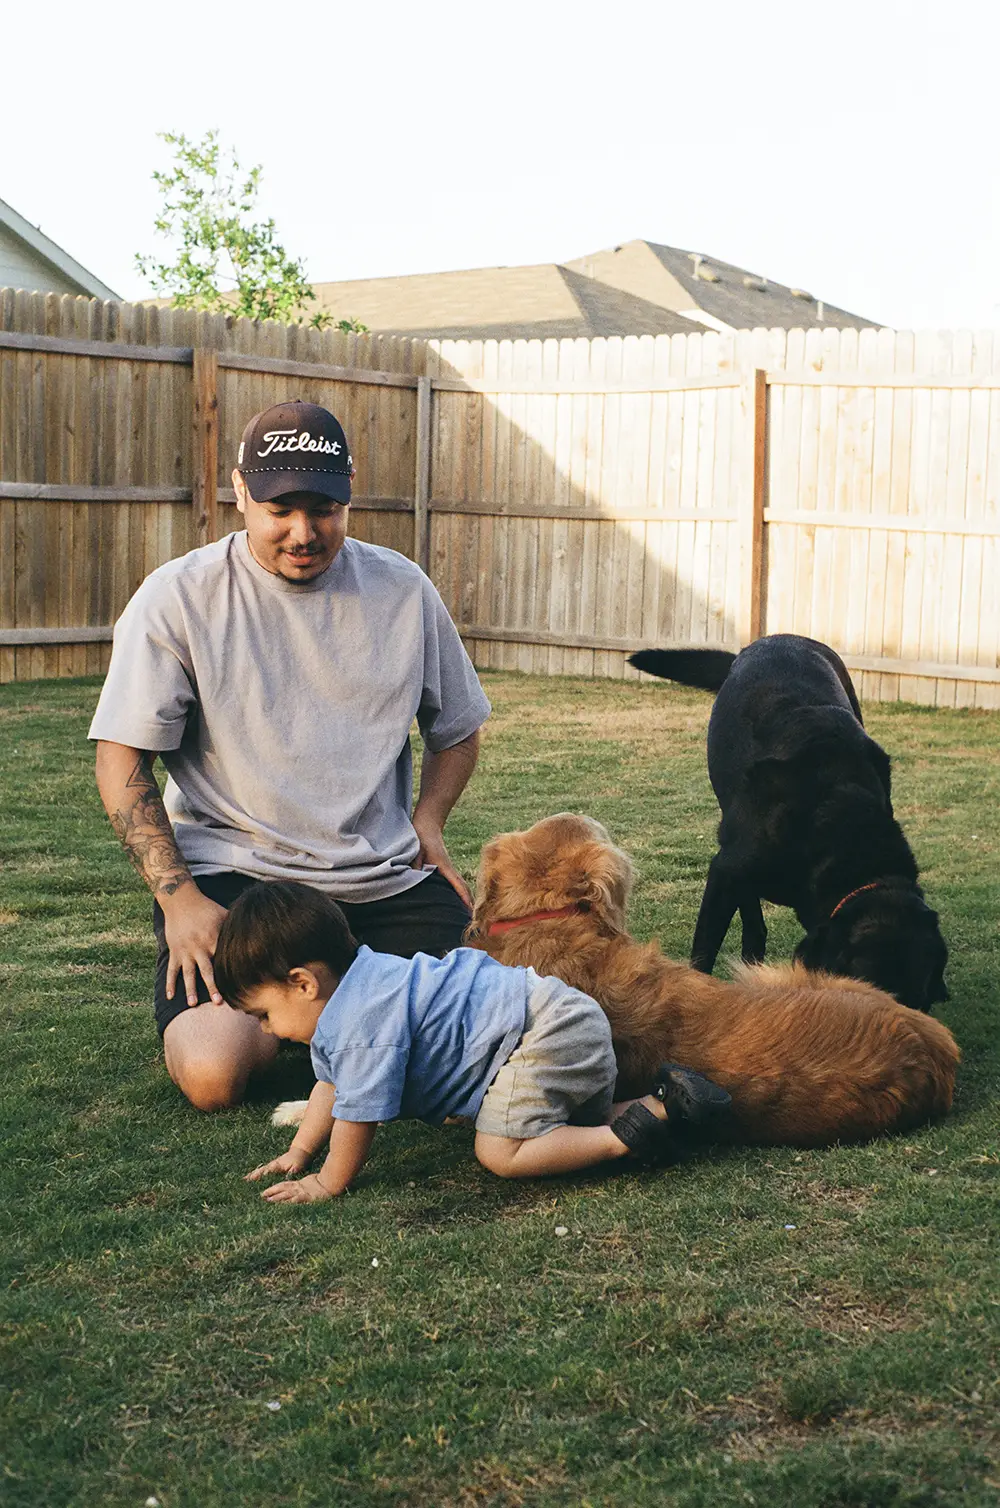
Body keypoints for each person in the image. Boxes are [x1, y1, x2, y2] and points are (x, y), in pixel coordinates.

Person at [90, 399, 491, 1112]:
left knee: (504, 1017)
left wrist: (427, 824)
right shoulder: (178, 597)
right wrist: (178, 899)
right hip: (242, 882)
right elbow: (121, 760)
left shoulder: (402, 589)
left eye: (324, 508)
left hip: (381, 881)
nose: (304, 532)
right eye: (280, 508)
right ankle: (348, 1037)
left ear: (350, 491)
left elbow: (457, 727)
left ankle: (337, 1036)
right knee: (213, 1074)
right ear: (240, 491)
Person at [213, 881, 733, 1201]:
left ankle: (626, 1139)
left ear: (303, 984)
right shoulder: (365, 981)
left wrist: (326, 1181)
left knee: (500, 1150)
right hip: (555, 1017)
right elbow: (331, 1084)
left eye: (263, 1014)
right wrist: (298, 1151)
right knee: (568, 1127)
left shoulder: (361, 1022)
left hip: (543, 1032)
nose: (265, 1030)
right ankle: (663, 1106)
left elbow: (357, 1114)